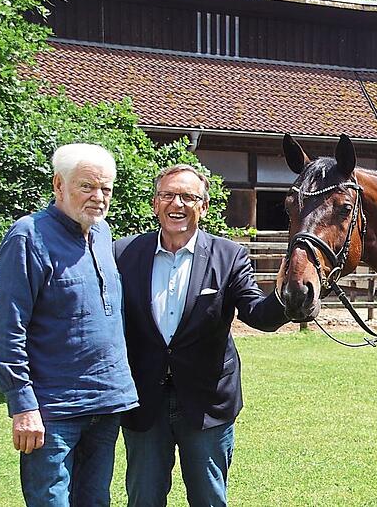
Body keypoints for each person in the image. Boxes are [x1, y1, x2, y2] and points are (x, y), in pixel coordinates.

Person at [114, 164, 288, 506]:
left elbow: (257, 313)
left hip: (207, 403)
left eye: (188, 197)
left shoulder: (228, 255)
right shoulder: (124, 252)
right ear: (154, 203)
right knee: (142, 499)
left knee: (209, 499)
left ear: (204, 207)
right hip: (144, 401)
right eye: (167, 195)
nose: (176, 204)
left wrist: (287, 295)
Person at [0, 143, 138, 506]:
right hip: (53, 410)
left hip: (105, 403)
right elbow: (8, 329)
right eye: (87, 187)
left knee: (95, 500)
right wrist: (23, 405)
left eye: (106, 189)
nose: (98, 197)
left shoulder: (102, 234)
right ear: (59, 184)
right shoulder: (29, 236)